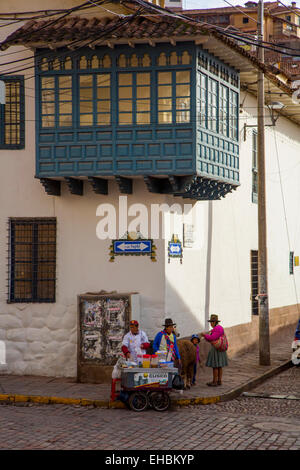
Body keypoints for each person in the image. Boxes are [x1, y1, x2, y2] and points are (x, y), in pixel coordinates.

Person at [200, 314, 228, 387]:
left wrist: (204, 335)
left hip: (216, 350)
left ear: (215, 322)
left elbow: (212, 338)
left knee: (215, 366)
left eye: (212, 322)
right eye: (210, 322)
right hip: (220, 349)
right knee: (219, 366)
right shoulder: (219, 328)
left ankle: (215, 381)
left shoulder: (217, 328)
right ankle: (219, 381)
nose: (211, 323)